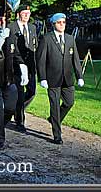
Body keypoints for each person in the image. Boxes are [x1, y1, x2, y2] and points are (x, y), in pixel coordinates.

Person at [36, 13, 84, 144]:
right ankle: (57, 135)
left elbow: (75, 59)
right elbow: (41, 60)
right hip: (52, 78)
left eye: (63, 22)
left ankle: (53, 119)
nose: (62, 24)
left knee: (69, 102)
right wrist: (42, 78)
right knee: (55, 106)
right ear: (53, 24)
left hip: (67, 79)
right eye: (59, 22)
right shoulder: (46, 39)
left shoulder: (70, 39)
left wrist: (79, 76)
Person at [0, 7, 27, 150]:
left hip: (9, 78)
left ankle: (1, 125)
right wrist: (1, 36)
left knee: (10, 107)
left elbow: (16, 54)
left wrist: (23, 66)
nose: (2, 20)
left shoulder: (10, 35)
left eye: (4, 18)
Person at [7, 4, 38, 133]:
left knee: (32, 92)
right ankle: (20, 121)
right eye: (24, 13)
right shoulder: (11, 27)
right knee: (19, 94)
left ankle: (16, 109)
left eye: (28, 13)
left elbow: (34, 46)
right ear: (19, 14)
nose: (26, 15)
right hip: (17, 66)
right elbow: (10, 48)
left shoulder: (32, 28)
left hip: (30, 66)